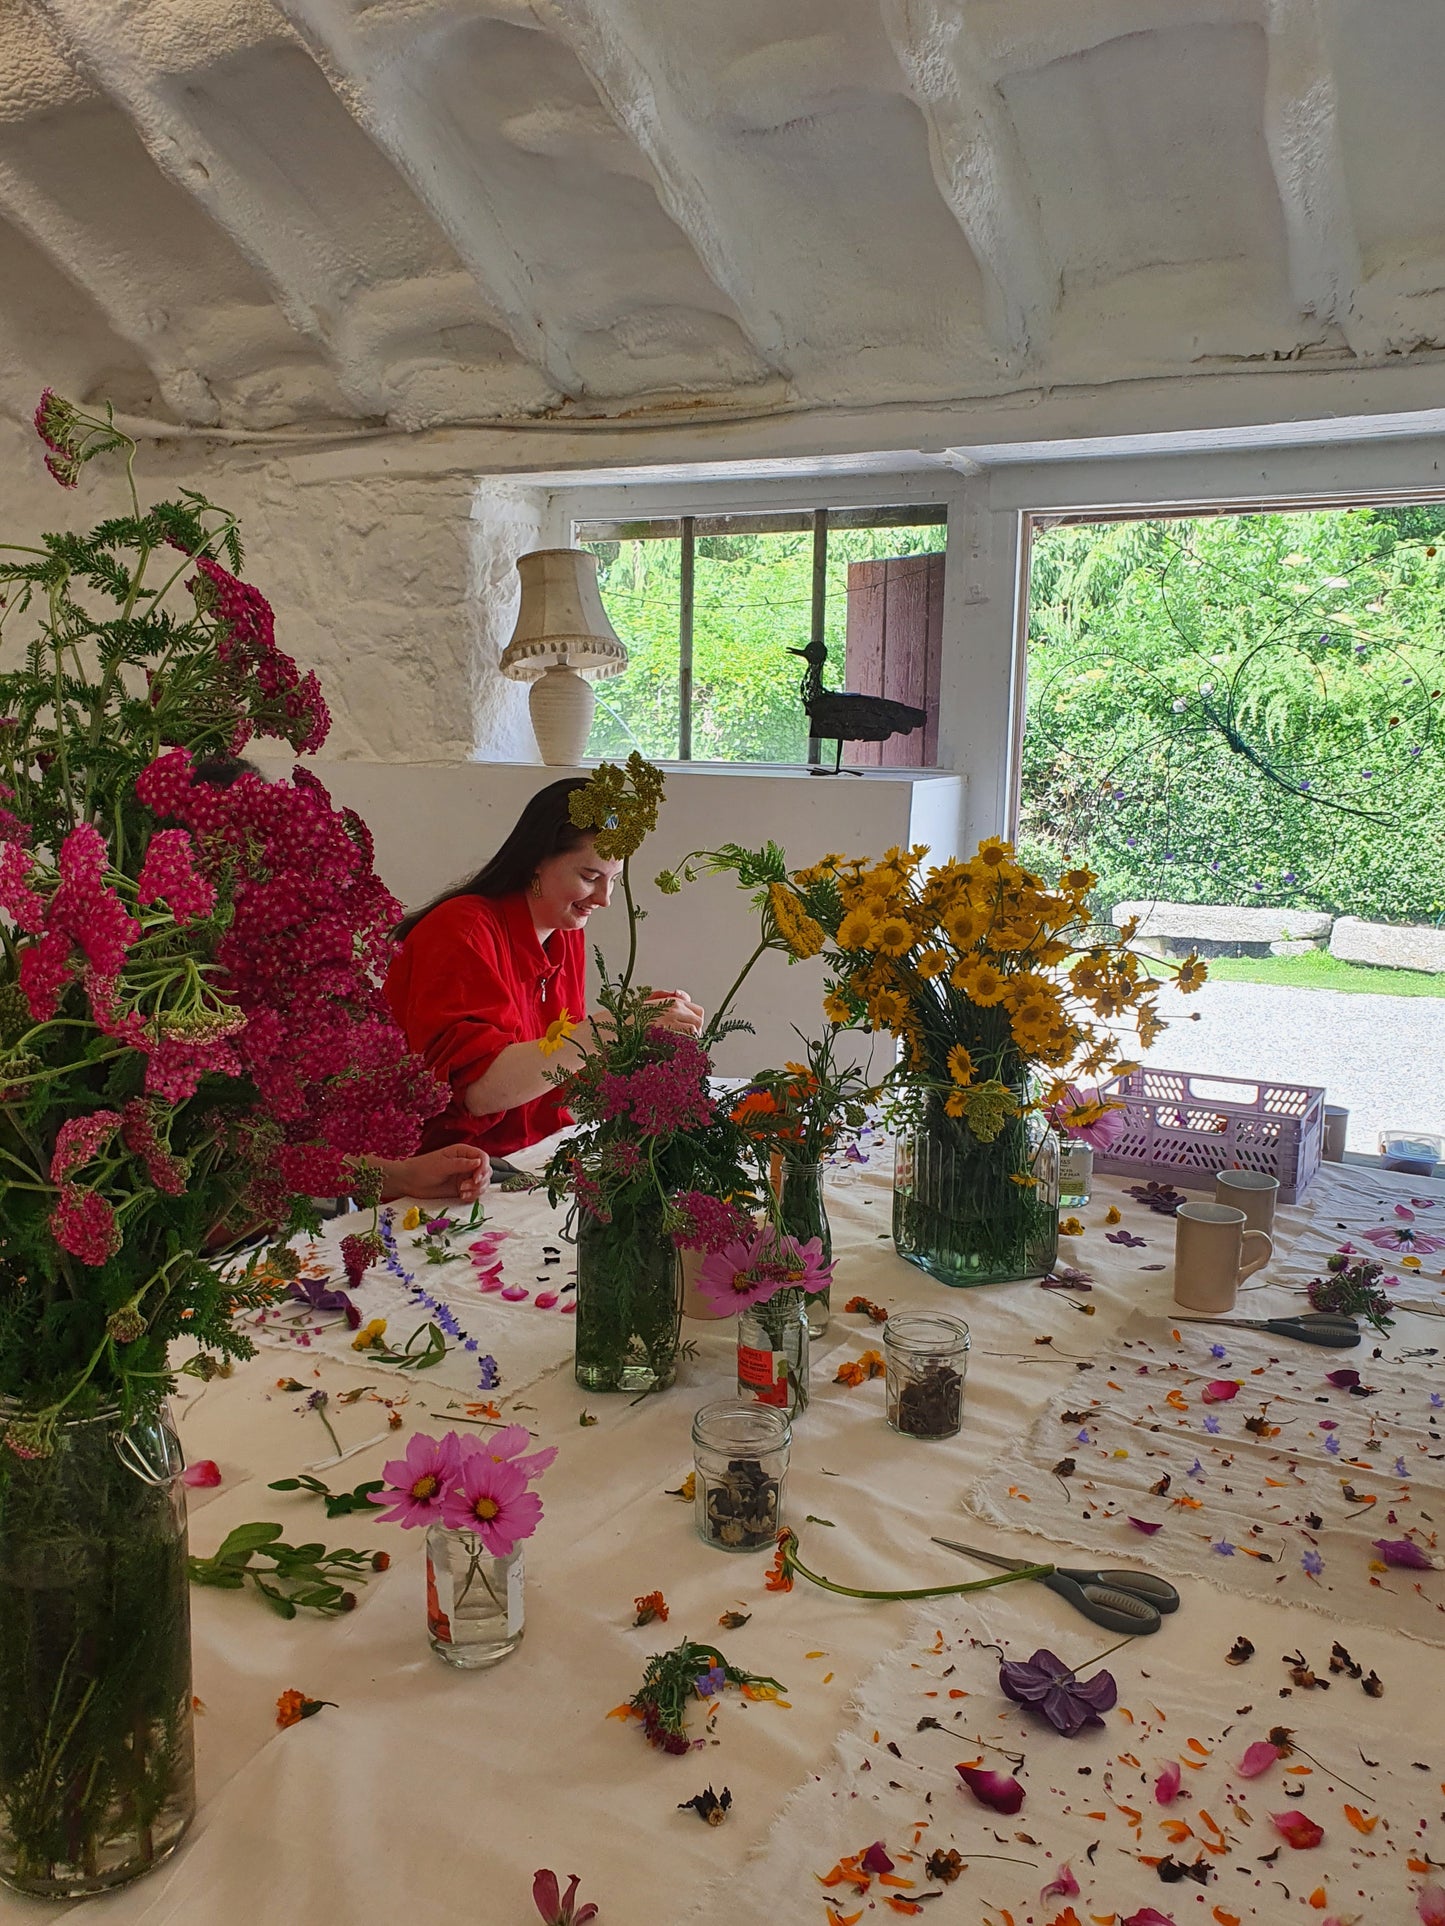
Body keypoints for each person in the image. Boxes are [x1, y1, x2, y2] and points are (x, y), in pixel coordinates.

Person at [187, 756, 489, 1205]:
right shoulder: (167, 989)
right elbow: (239, 1158)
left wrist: (404, 1176)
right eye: (231, 845)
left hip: (261, 1233)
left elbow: (287, 1154)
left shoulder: (286, 970)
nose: (253, 863)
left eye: (264, 843)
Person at [385, 777, 703, 1159]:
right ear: (537, 860)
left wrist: (642, 1037)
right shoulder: (462, 931)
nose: (604, 899)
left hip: (534, 1152)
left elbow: (560, 1069)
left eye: (614, 880)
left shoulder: (564, 932)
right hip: (448, 1169)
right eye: (590, 877)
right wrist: (615, 1026)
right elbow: (481, 1093)